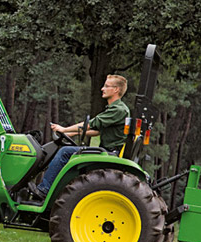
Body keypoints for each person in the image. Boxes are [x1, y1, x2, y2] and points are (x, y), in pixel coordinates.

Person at [28, 74, 130, 202]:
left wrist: (64, 129)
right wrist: (72, 134)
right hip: (108, 151)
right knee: (68, 150)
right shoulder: (117, 109)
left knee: (64, 152)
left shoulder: (118, 110)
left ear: (116, 90)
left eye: (106, 86)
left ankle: (44, 189)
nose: (102, 89)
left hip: (108, 152)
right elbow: (97, 131)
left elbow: (89, 125)